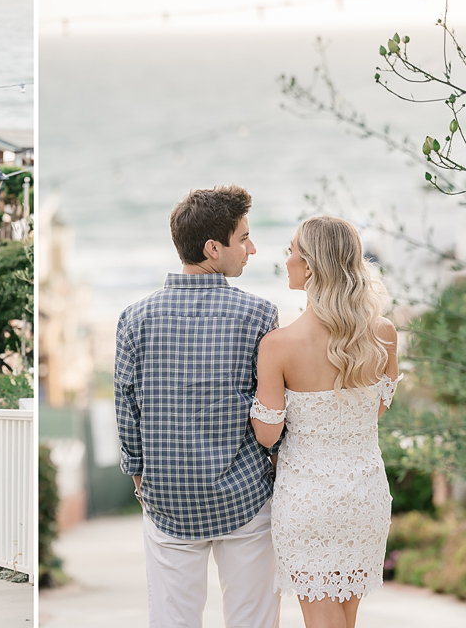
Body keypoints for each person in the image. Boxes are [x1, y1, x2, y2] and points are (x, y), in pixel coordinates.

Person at [115, 185, 281, 628]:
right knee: (253, 621)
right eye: (243, 238)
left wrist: (142, 483)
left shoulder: (134, 318)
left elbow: (126, 412)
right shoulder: (260, 315)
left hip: (168, 500)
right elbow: (272, 409)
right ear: (213, 248)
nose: (252, 248)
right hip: (244, 496)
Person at [250, 216, 400, 628]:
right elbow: (375, 412)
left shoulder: (278, 346)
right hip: (365, 494)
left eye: (292, 251)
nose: (286, 260)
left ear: (312, 265)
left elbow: (267, 434)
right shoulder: (384, 334)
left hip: (307, 499)